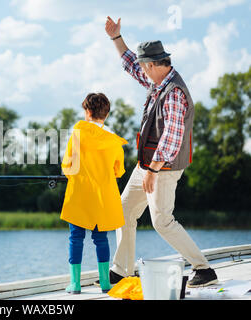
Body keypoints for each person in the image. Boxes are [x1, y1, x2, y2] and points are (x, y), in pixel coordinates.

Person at [103, 16, 218, 288]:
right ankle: (122, 271)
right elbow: (131, 63)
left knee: (162, 222)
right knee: (124, 209)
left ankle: (203, 269)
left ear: (153, 65)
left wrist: (152, 171)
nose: (140, 71)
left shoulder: (174, 92)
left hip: (163, 167)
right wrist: (116, 38)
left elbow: (172, 137)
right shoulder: (157, 83)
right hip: (148, 164)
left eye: (145, 67)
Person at [60, 93, 128, 294]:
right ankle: (106, 283)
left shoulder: (78, 134)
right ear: (106, 114)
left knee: (76, 238)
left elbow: (67, 165)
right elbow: (119, 171)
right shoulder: (114, 141)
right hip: (103, 198)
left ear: (88, 112)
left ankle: (75, 284)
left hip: (80, 196)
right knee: (101, 239)